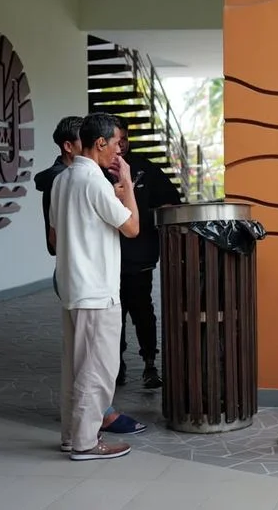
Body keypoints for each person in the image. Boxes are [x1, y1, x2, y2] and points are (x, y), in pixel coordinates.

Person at [34, 116, 147, 442]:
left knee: (74, 369)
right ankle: (85, 443)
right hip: (97, 291)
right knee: (97, 371)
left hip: (72, 288)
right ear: (100, 143)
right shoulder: (94, 181)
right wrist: (126, 186)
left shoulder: (62, 180)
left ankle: (71, 436)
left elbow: (56, 238)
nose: (119, 151)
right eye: (117, 143)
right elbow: (132, 228)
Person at [113, 117, 182, 388]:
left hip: (139, 258)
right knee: (113, 318)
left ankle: (150, 366)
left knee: (143, 313)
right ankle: (115, 366)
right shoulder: (96, 172)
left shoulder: (144, 168)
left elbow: (171, 202)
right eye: (117, 140)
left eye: (125, 139)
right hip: (107, 263)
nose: (121, 145)